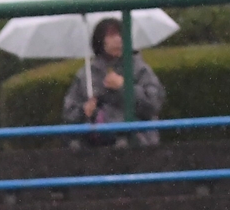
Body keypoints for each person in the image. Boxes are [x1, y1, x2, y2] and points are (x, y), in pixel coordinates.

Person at [61, 17, 165, 147]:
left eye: (121, 34)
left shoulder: (139, 69)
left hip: (136, 140)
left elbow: (153, 105)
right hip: (95, 143)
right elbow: (68, 114)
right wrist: (84, 111)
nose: (118, 39)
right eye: (111, 35)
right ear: (100, 40)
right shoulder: (86, 74)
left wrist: (124, 87)